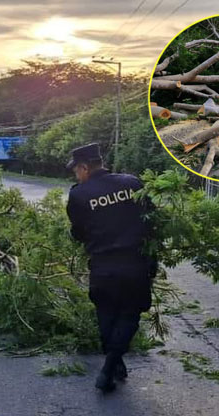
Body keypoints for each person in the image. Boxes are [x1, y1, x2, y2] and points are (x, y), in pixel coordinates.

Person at [64, 143, 156, 393]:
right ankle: (112, 364)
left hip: (103, 267)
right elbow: (152, 220)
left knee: (105, 313)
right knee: (129, 314)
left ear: (84, 167)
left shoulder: (79, 195)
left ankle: (110, 366)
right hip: (135, 264)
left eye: (76, 171)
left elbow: (79, 233)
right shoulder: (132, 183)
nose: (76, 176)